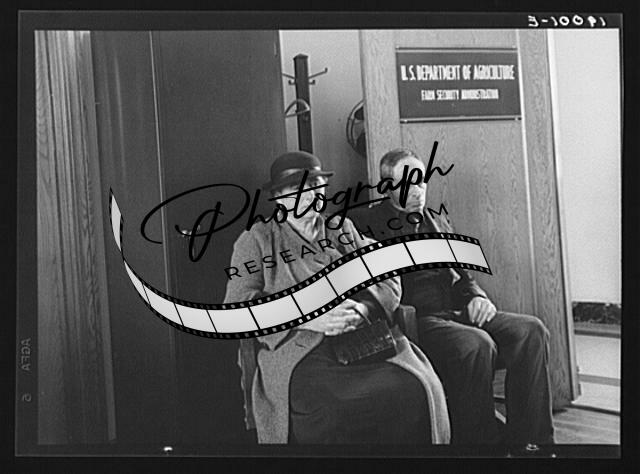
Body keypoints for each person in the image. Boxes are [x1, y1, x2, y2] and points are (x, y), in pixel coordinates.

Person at [224, 151, 450, 445]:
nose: (309, 195)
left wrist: (364, 309)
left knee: (414, 388)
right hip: (299, 351)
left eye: (315, 185)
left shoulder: (341, 229)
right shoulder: (257, 239)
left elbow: (388, 272)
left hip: (362, 342)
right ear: (279, 197)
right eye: (297, 188)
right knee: (332, 409)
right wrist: (310, 319)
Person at [349, 148, 555, 446]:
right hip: (416, 320)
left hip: (455, 311)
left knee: (531, 330)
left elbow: (463, 274)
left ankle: (532, 442)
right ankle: (479, 445)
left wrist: (476, 297)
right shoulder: (365, 222)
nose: (418, 190)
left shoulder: (437, 220)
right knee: (476, 344)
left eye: (421, 180)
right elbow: (368, 285)